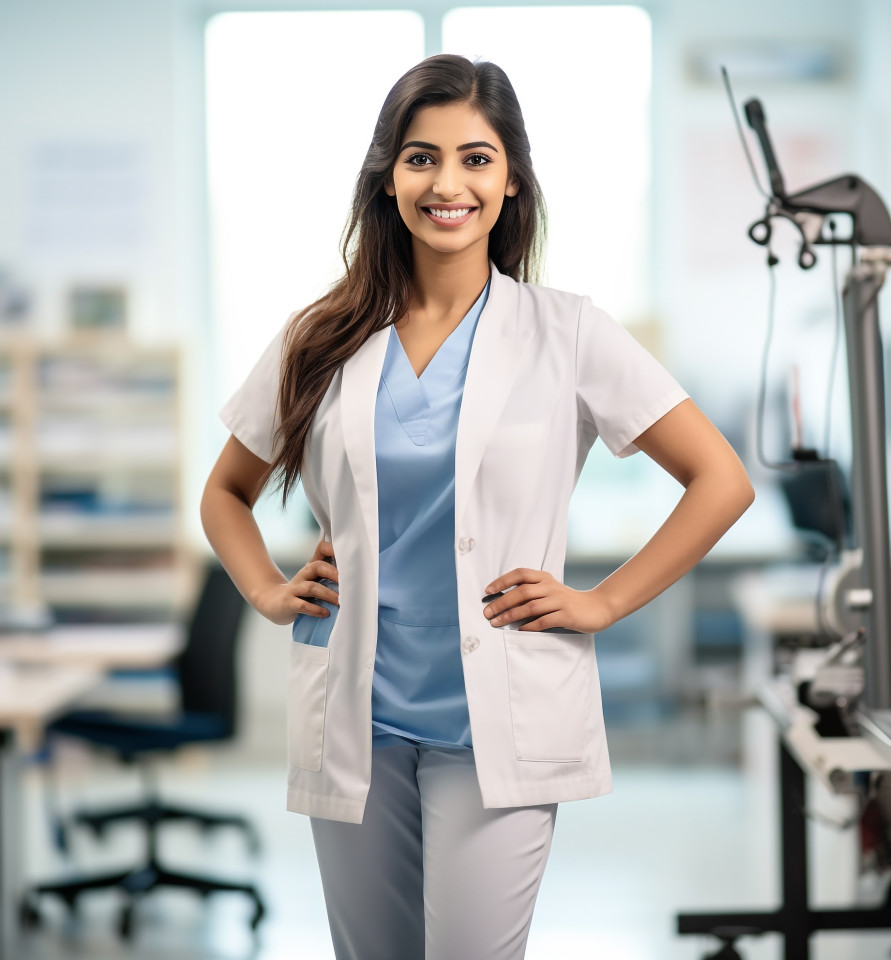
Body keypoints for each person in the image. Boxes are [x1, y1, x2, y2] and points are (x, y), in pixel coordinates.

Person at [201, 53, 755, 960]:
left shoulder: (567, 330)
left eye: (476, 158)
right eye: (420, 158)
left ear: (510, 182)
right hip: (357, 715)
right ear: (387, 177)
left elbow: (719, 479)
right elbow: (225, 492)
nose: (447, 183)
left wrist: (603, 602)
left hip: (494, 719)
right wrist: (265, 588)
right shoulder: (322, 335)